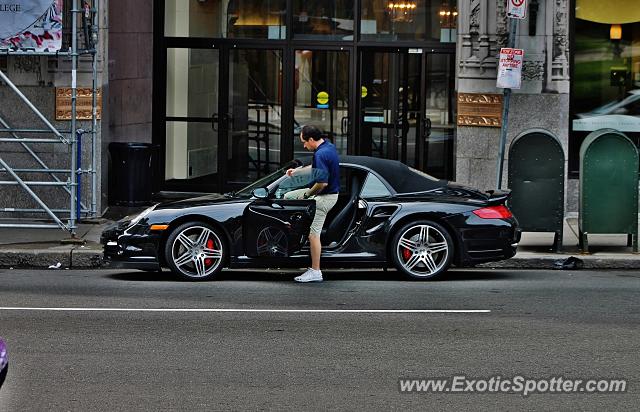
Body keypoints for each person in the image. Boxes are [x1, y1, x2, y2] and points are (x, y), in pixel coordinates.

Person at [284, 125, 340, 283]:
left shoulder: (321, 154)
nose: (304, 145)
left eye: (304, 142)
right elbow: (316, 169)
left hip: (324, 198)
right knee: (288, 196)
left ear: (311, 139)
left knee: (313, 234)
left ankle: (316, 271)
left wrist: (308, 195)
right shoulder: (328, 146)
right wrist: (296, 172)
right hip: (328, 195)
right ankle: (295, 229)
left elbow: (322, 183)